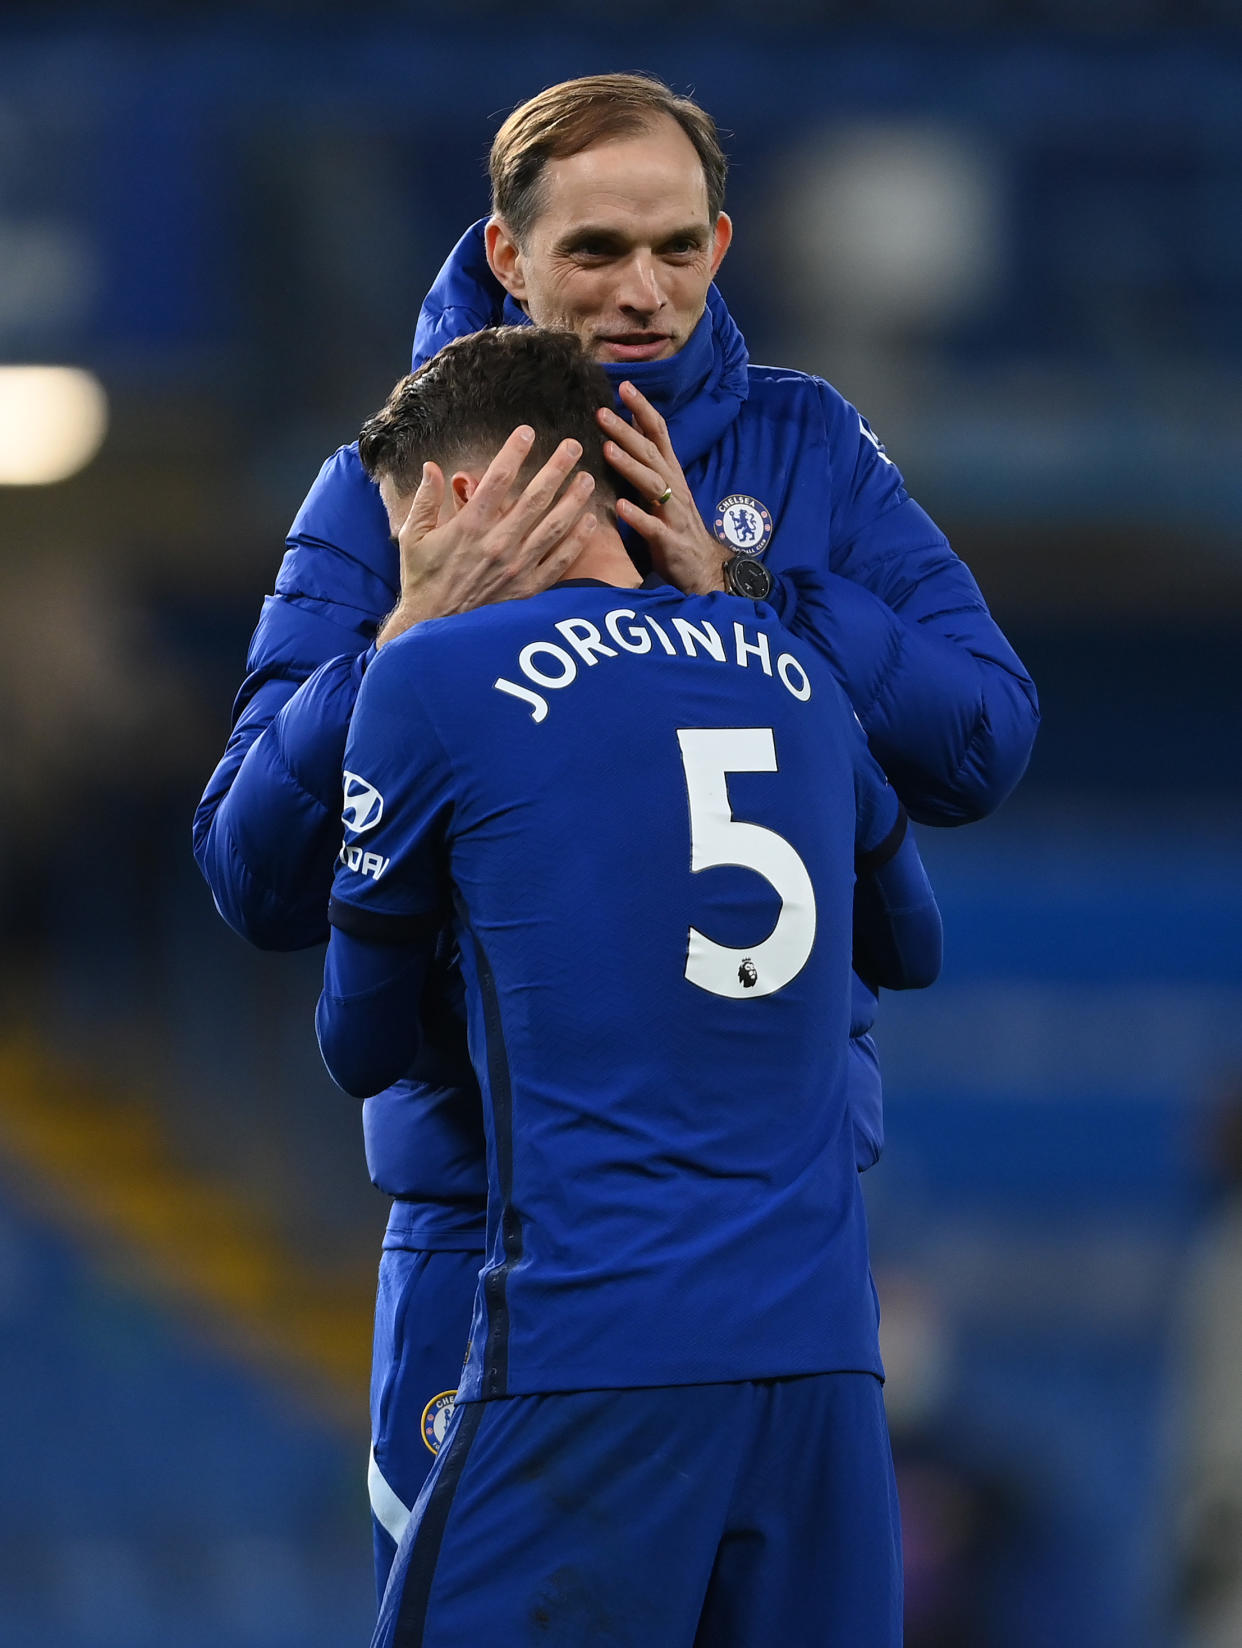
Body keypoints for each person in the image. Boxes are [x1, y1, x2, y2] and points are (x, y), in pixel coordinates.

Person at [192, 72, 1038, 1593]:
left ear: (722, 241)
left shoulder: (800, 450)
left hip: (785, 1233)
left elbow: (985, 736)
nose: (642, 293)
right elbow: (250, 871)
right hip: (500, 1233)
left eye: (674, 249)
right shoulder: (395, 483)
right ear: (508, 256)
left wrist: (756, 596)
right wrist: (402, 637)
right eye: (594, 252)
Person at [318, 323, 943, 1647]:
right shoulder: (786, 661)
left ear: (459, 501)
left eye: (401, 530)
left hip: (590, 1349)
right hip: (821, 1360)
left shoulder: (428, 674)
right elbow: (911, 943)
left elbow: (358, 1043)